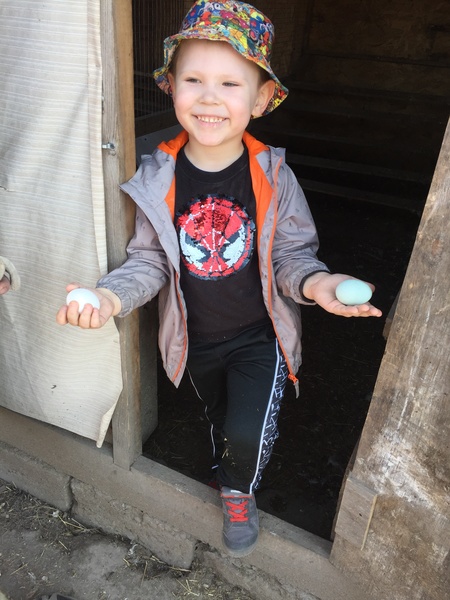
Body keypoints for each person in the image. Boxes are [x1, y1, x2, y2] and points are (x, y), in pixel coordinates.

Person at [56, 0, 382, 558]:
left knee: (247, 428)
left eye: (230, 83)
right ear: (172, 87)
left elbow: (291, 255)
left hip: (260, 335)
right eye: (194, 80)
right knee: (220, 416)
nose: (209, 97)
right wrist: (110, 296)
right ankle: (229, 463)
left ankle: (238, 491)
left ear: (260, 99)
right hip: (197, 339)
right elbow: (150, 262)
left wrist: (318, 285)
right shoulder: (156, 178)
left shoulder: (274, 176)